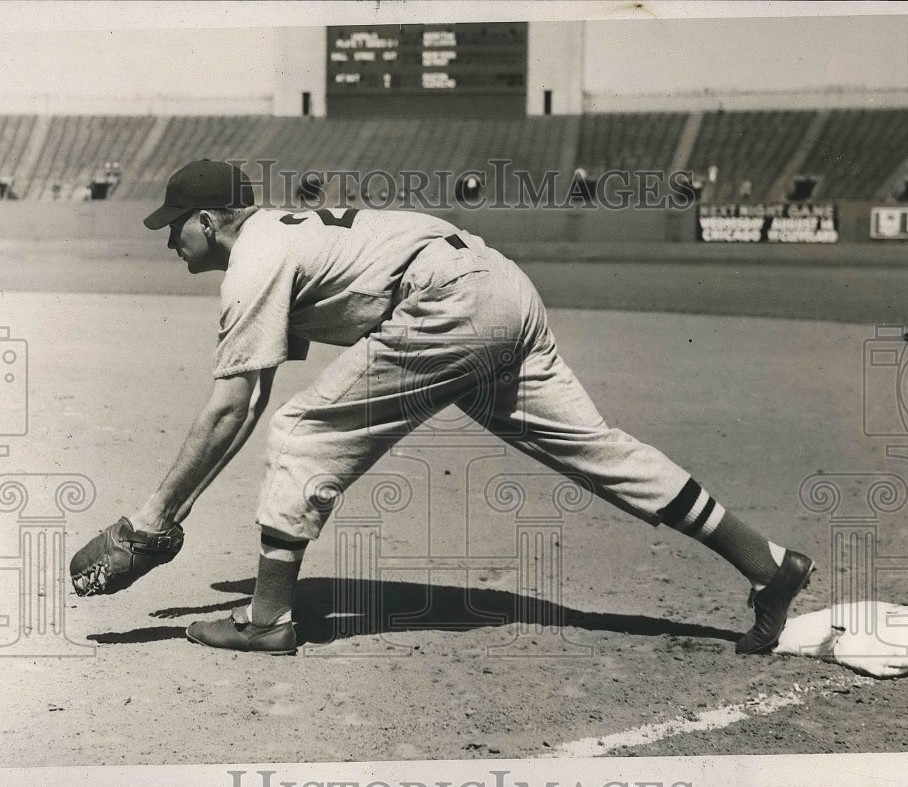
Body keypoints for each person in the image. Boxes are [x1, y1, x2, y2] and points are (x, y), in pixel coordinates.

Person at [71, 159, 815, 656]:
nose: (170, 237)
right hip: (499, 287)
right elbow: (250, 391)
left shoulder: (255, 260)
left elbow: (237, 409)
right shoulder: (279, 239)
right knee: (599, 449)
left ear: (210, 218)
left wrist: (152, 516)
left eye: (177, 222)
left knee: (306, 432)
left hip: (447, 302)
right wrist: (173, 512)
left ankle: (267, 620)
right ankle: (769, 564)